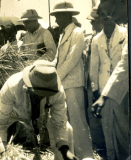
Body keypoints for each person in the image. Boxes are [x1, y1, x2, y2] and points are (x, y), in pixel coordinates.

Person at [0, 60, 77, 160]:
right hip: (15, 112)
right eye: (37, 94)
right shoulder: (12, 86)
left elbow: (60, 124)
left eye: (45, 95)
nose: (40, 98)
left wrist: (65, 151)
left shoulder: (57, 91)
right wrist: (3, 152)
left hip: (43, 115)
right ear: (28, 87)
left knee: (68, 129)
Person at [50, 1, 94, 159]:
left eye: (57, 16)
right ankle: (72, 155)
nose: (55, 20)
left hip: (73, 84)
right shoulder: (63, 34)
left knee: (77, 121)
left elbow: (72, 60)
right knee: (66, 122)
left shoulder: (77, 32)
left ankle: (86, 156)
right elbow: (58, 59)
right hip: (64, 84)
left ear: (66, 15)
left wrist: (56, 77)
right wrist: (45, 68)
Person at [89, 2, 128, 159]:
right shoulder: (96, 39)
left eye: (108, 13)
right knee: (107, 129)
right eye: (102, 13)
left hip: (121, 89)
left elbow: (123, 64)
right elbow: (94, 67)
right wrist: (95, 89)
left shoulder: (125, 34)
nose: (106, 16)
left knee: (122, 128)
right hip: (103, 89)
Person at [83, 6, 106, 158]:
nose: (92, 25)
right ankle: (98, 146)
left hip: (102, 84)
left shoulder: (106, 39)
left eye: (94, 22)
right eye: (91, 22)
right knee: (92, 116)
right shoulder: (90, 39)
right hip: (90, 83)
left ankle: (104, 147)